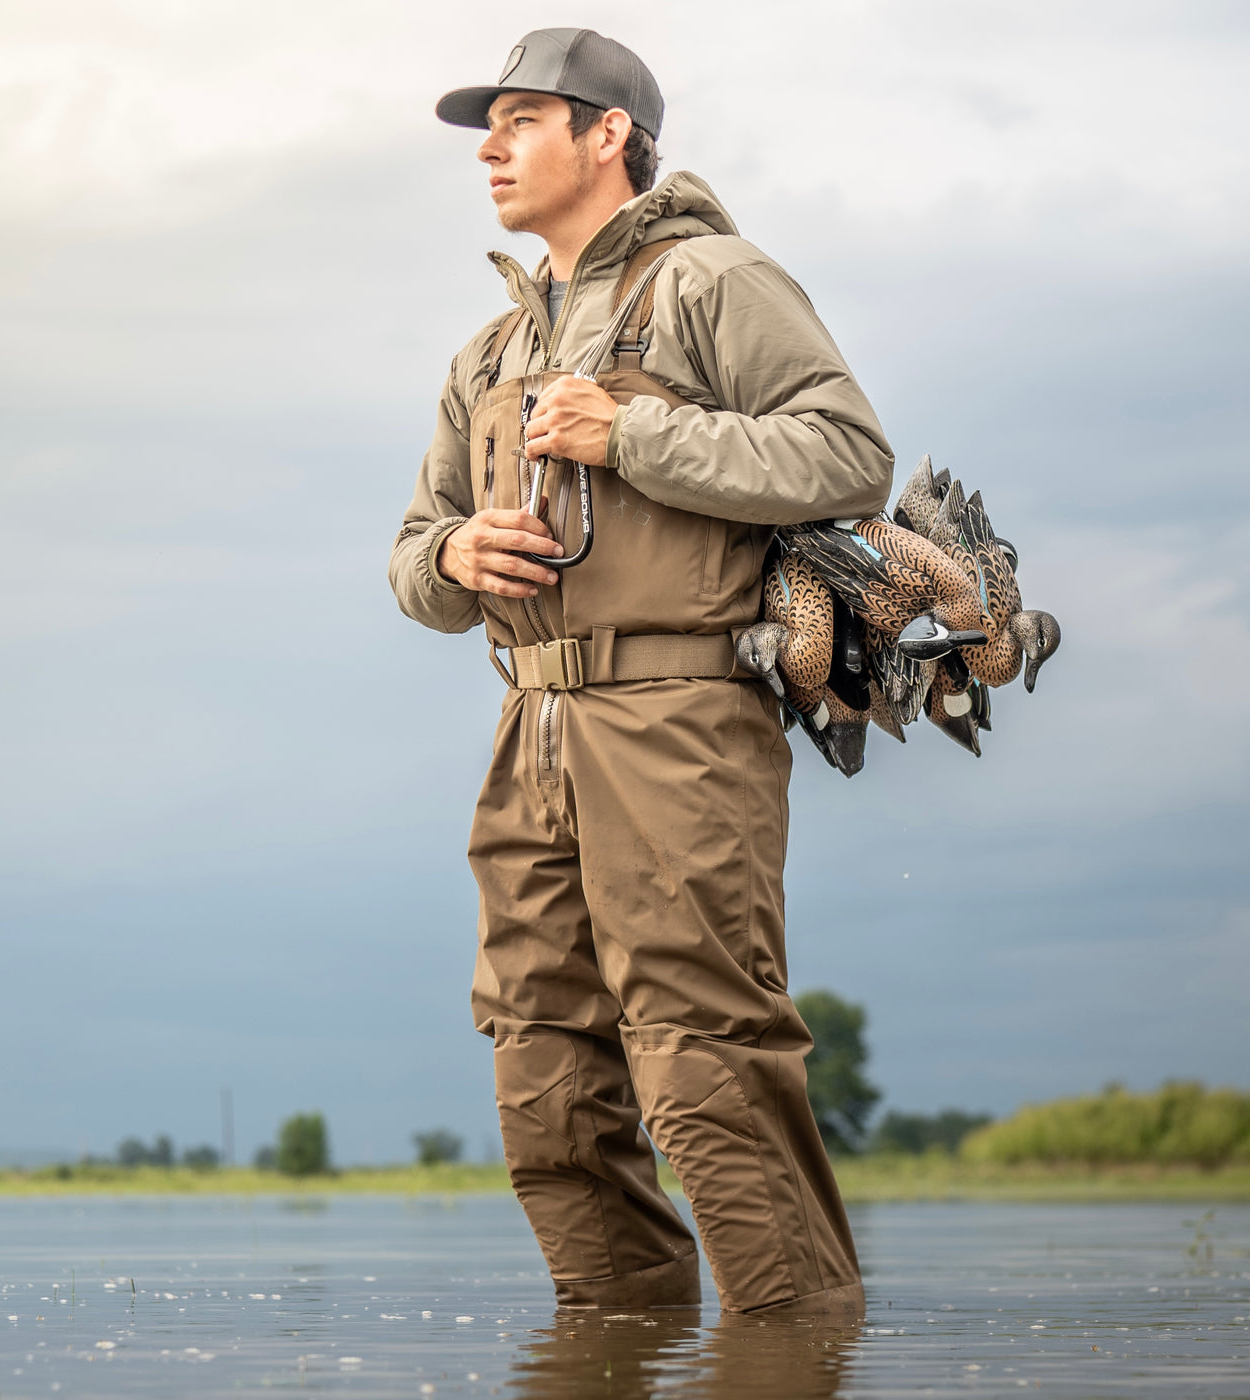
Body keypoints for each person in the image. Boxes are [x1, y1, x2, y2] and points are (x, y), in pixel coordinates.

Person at [390, 27, 894, 1314]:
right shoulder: (486, 354)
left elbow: (846, 456)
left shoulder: (715, 280)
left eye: (521, 120)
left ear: (607, 132)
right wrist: (458, 552)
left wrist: (636, 434)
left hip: (680, 714)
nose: (492, 149)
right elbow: (409, 561)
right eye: (484, 129)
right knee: (542, 1073)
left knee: (704, 1062)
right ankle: (619, 1345)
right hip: (530, 725)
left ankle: (797, 1353)